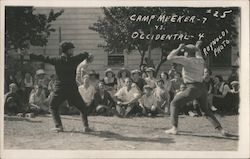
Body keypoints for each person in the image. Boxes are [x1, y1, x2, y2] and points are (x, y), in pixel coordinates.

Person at [21, 41, 94, 132]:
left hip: (60, 89)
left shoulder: (56, 59)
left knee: (53, 107)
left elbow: (43, 58)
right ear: (68, 50)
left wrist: (29, 54)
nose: (73, 51)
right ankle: (86, 127)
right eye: (72, 49)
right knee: (82, 107)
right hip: (72, 88)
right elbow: (84, 54)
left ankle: (58, 126)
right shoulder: (75, 59)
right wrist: (88, 55)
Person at [165, 43, 228, 136]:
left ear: (187, 53)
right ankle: (221, 130)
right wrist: (197, 46)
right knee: (206, 110)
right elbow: (197, 51)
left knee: (174, 103)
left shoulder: (186, 60)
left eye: (185, 52)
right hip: (202, 88)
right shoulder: (200, 60)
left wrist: (179, 48)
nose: (184, 53)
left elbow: (169, 57)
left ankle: (174, 128)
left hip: (192, 88)